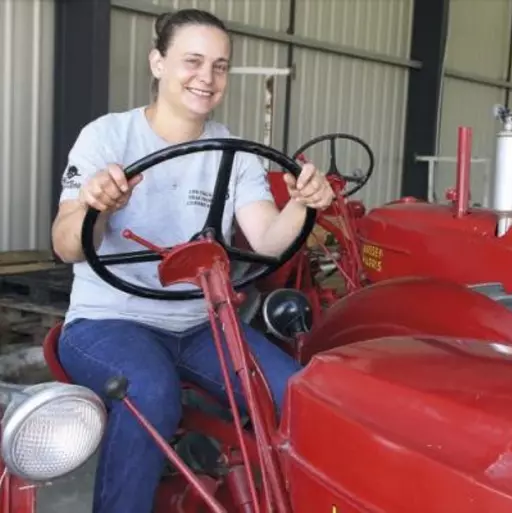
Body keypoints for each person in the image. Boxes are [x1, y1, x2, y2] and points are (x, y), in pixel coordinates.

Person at [50, 8, 334, 513]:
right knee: (152, 393)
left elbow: (267, 241)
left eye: (219, 66)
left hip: (201, 324)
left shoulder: (236, 153)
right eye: (193, 61)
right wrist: (96, 208)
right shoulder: (108, 138)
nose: (206, 77)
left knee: (297, 392)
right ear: (158, 63)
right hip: (109, 321)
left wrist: (301, 204)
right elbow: (67, 245)